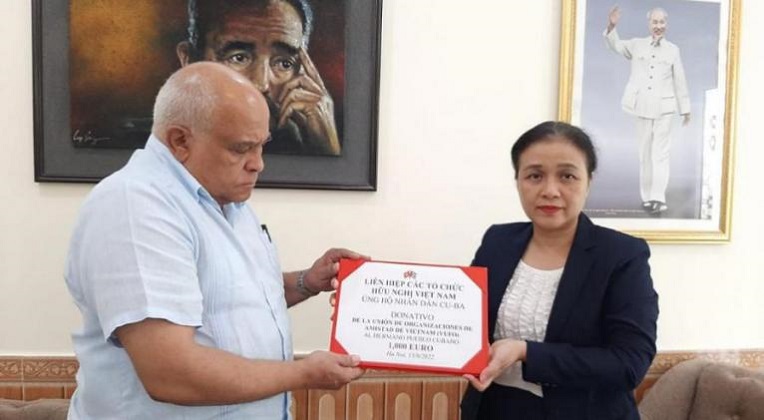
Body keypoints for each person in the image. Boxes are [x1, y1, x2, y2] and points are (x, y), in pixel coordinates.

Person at [64, 62, 365, 419]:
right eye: (241, 148)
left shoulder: (227, 201)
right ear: (180, 141)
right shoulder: (135, 205)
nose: (258, 164)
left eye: (261, 146)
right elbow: (170, 373)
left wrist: (306, 282)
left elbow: (230, 301)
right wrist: (304, 374)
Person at [460, 121, 659, 419]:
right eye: (535, 176)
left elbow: (629, 363)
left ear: (588, 181)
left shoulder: (622, 255)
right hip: (494, 410)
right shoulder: (498, 241)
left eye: (567, 176)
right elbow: (464, 322)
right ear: (518, 181)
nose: (550, 191)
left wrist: (525, 351)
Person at [176, 0, 341, 156]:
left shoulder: (304, 144)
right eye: (239, 58)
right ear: (190, 60)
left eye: (284, 63)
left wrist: (328, 150)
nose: (262, 84)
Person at [604, 6, 691, 215]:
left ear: (666, 24)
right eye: (655, 22)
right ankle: (647, 198)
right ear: (649, 24)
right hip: (641, 106)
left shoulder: (673, 50)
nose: (658, 26)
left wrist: (685, 109)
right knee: (644, 154)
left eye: (662, 22)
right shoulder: (636, 45)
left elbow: (679, 79)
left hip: (664, 109)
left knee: (660, 154)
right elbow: (615, 45)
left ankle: (658, 198)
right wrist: (612, 26)